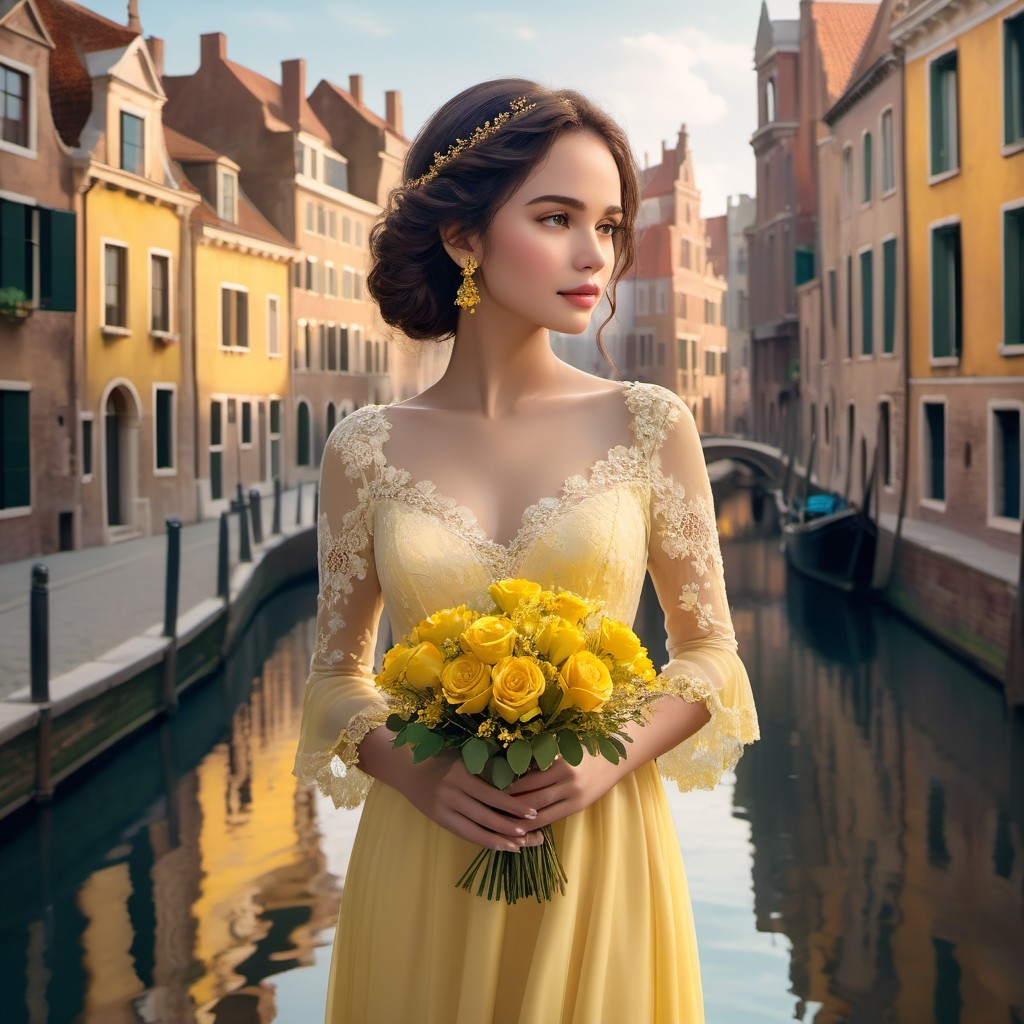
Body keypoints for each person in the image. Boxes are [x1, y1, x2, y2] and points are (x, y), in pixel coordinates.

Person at [292, 78, 760, 1024]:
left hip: (601, 847)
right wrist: (417, 772)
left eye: (610, 226)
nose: (596, 255)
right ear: (463, 237)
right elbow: (335, 678)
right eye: (557, 218)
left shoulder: (649, 424)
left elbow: (711, 655)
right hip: (426, 850)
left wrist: (609, 756)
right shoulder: (365, 448)